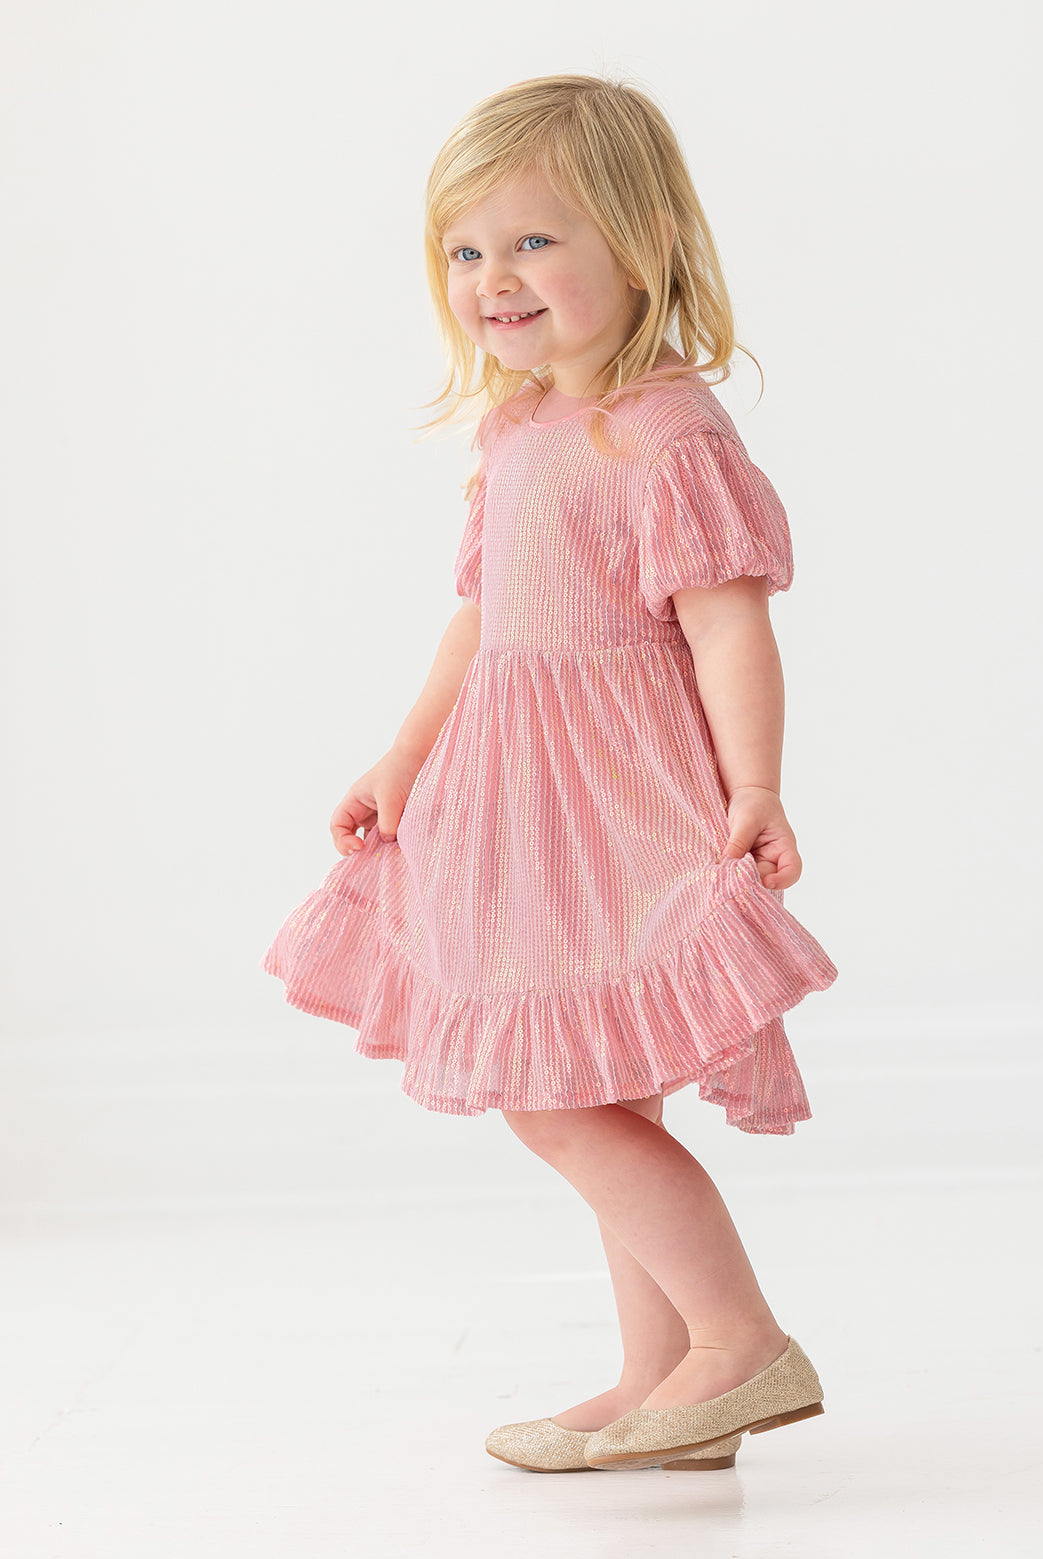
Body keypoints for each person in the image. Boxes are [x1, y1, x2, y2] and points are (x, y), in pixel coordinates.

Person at [261, 72, 839, 1475]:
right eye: (468, 251)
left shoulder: (662, 430)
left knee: (557, 1092)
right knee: (600, 1084)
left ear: (639, 246)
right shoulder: (519, 427)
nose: (493, 279)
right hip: (516, 803)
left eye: (534, 242)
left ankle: (738, 1338)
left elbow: (729, 621)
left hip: (621, 800)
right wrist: (405, 755)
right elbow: (483, 616)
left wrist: (754, 787)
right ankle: (667, 1380)